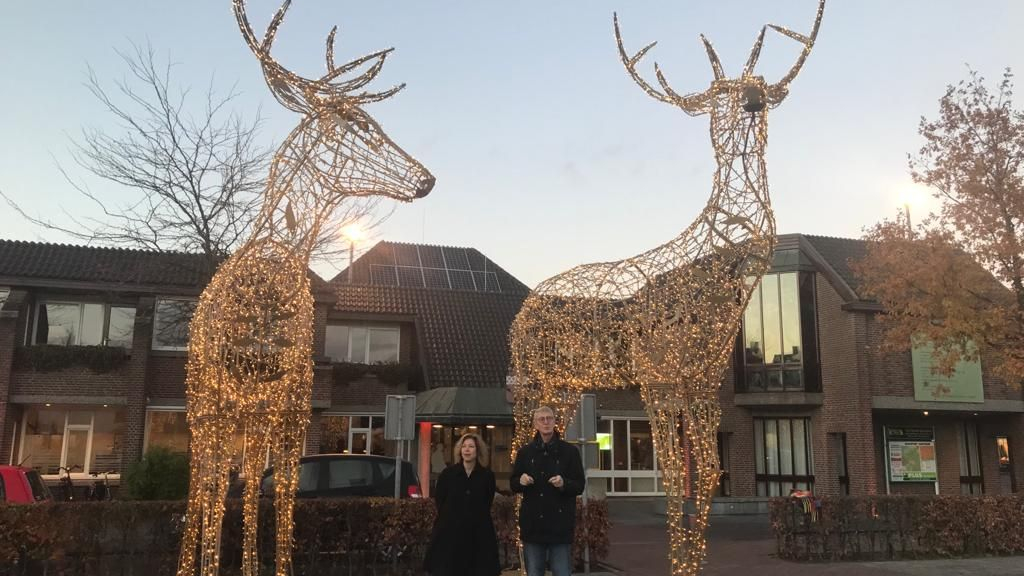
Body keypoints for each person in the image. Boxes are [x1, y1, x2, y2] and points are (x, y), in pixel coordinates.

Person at [511, 406, 585, 576]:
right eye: (541, 419)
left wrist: (564, 483)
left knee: (561, 571)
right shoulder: (525, 452)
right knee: (534, 571)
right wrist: (520, 481)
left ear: (554, 422)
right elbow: (513, 484)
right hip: (533, 526)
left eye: (549, 418)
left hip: (559, 526)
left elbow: (580, 485)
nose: (546, 422)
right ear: (535, 424)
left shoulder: (570, 452)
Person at [424, 433, 501, 576]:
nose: (467, 450)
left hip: (478, 533)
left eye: (471, 446)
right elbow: (440, 499)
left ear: (477, 450)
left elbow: (487, 500)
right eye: (464, 446)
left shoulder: (487, 475)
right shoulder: (448, 474)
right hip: (451, 531)